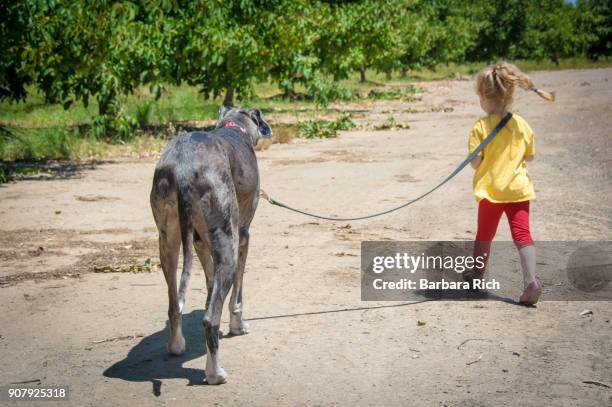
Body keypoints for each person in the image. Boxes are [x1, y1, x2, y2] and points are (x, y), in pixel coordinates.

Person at [462, 61, 554, 305]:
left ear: (483, 96)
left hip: (491, 191)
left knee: (484, 235)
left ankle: (477, 274)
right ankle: (531, 281)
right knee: (523, 235)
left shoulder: (480, 127)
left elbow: (475, 163)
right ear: (511, 94)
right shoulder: (521, 124)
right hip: (518, 190)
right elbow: (530, 156)